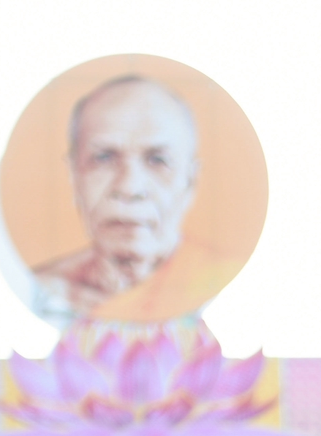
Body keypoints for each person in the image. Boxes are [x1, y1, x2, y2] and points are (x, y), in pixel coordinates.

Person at [27, 75, 238, 322]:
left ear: (190, 182)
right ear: (74, 176)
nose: (129, 188)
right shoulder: (37, 291)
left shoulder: (230, 288)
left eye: (158, 161)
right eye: (104, 158)